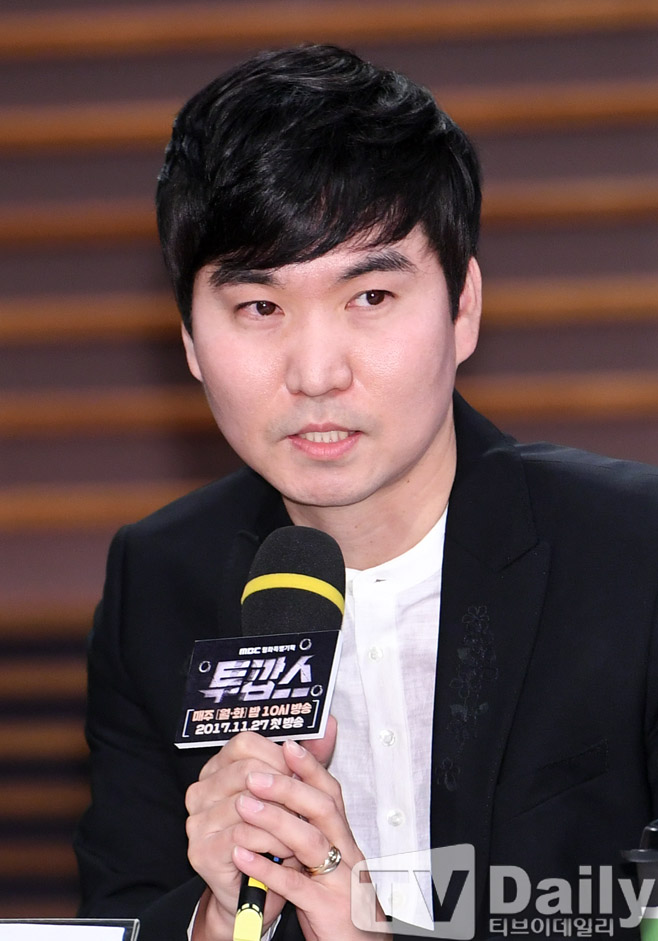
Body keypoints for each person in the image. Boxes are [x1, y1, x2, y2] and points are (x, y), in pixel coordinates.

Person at [74, 44, 658, 941]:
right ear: (189, 338)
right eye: (260, 308)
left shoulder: (631, 553)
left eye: (372, 296)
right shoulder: (157, 581)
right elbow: (120, 908)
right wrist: (214, 917)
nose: (316, 372)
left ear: (463, 306)